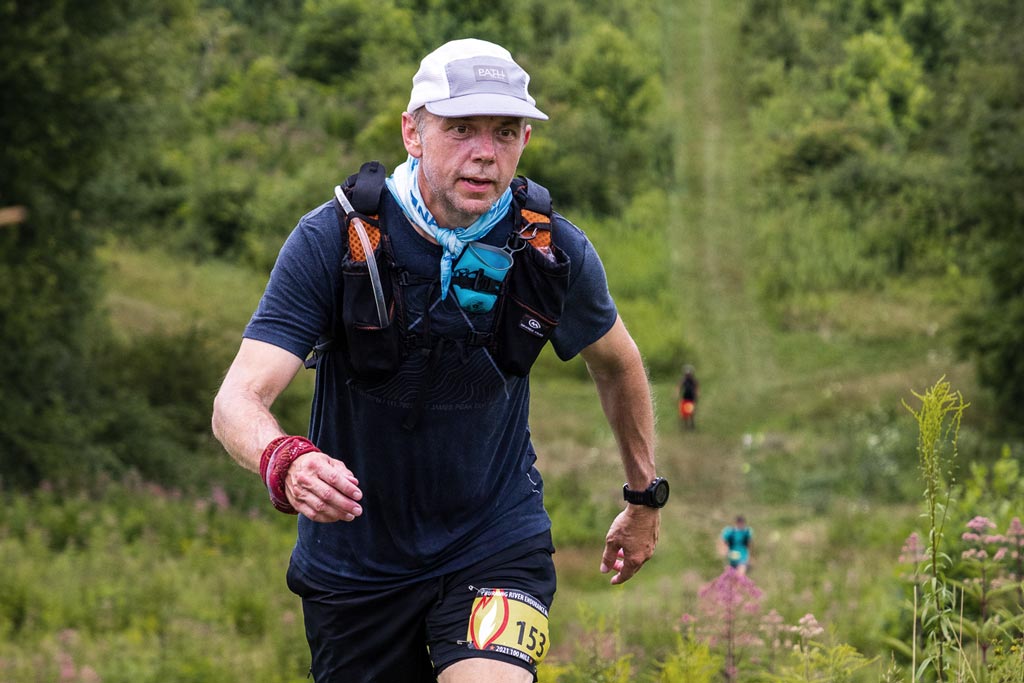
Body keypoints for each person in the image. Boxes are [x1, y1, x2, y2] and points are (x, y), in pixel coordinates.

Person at [211, 38, 665, 683]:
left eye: (506, 132)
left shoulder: (550, 248)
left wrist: (644, 497)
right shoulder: (330, 241)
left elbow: (617, 363)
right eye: (461, 130)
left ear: (524, 143)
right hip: (355, 566)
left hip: (496, 542)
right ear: (412, 132)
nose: (485, 152)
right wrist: (285, 460)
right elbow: (236, 402)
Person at [678, 365, 699, 429]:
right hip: (685, 398)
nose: (688, 375)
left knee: (691, 412)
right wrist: (676, 394)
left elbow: (696, 388)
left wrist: (697, 394)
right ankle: (686, 425)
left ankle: (692, 424)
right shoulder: (683, 380)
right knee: (684, 413)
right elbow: (679, 387)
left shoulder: (693, 381)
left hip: (691, 398)